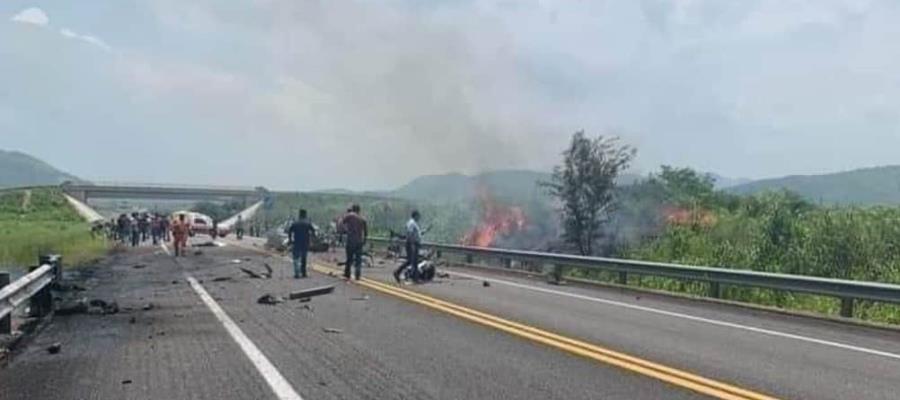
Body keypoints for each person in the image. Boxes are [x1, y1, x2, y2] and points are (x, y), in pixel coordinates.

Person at [394, 210, 423, 284]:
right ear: (415, 215)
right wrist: (412, 243)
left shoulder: (413, 223)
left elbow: (414, 234)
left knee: (413, 261)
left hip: (413, 243)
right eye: (418, 216)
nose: (419, 218)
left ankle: (414, 277)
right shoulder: (412, 223)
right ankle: (398, 272)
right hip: (412, 244)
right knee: (412, 261)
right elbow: (409, 233)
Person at [340, 204, 368, 280]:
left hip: (351, 240)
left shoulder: (350, 215)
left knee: (349, 258)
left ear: (353, 209)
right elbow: (366, 232)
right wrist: (364, 240)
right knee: (358, 259)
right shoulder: (363, 218)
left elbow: (341, 222)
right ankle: (357, 275)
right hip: (359, 241)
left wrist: (344, 230)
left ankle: (347, 274)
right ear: (359, 210)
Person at [286, 209, 316, 279]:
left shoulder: (295, 223)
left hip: (297, 242)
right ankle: (304, 273)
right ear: (305, 215)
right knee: (304, 258)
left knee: (296, 258)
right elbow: (313, 231)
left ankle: (297, 273)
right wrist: (312, 239)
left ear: (299, 215)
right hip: (305, 242)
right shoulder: (308, 223)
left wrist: (290, 239)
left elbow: (289, 231)